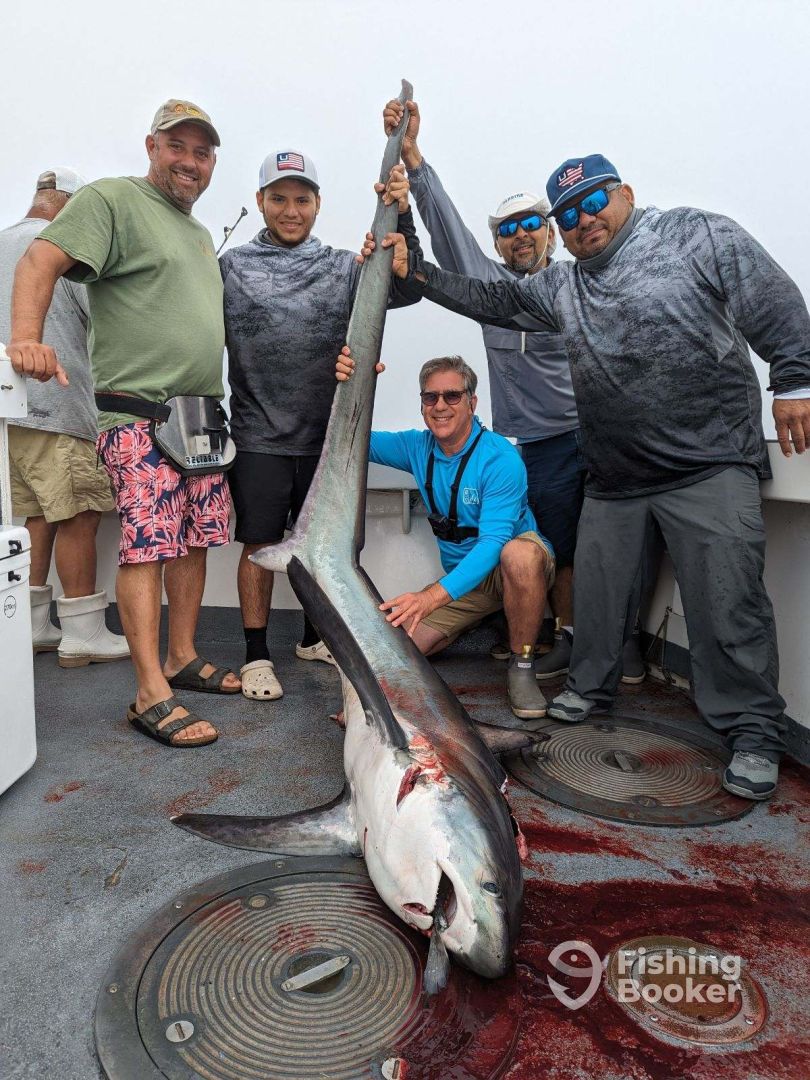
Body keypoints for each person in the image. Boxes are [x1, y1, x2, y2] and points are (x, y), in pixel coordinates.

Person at [374, 153, 810, 799]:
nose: (584, 220)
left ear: (625, 194)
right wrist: (418, 272)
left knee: (727, 603)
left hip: (708, 461)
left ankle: (752, 730)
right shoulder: (563, 286)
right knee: (598, 601)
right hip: (614, 474)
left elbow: (769, 297)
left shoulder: (693, 232)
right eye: (570, 214)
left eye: (594, 203)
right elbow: (491, 297)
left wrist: (794, 379)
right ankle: (590, 688)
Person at [7, 99, 240, 748]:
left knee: (194, 541)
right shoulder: (112, 199)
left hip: (201, 419)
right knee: (149, 546)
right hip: (139, 414)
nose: (190, 161)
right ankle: (149, 692)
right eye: (177, 146)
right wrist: (26, 338)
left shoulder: (198, 232)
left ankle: (182, 657)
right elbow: (40, 261)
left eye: (202, 152)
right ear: (151, 147)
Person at [220, 152, 420, 701]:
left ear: (317, 205)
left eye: (302, 199)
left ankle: (314, 638)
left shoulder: (342, 266)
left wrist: (400, 222)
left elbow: (405, 289)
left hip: (330, 440)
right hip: (258, 437)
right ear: (260, 201)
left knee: (324, 547)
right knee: (260, 545)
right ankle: (256, 654)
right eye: (279, 198)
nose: (291, 210)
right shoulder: (231, 267)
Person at [337, 351, 554, 720]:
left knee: (518, 555)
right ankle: (487, 617)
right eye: (430, 397)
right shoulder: (416, 447)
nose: (440, 406)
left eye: (452, 396)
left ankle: (521, 666)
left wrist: (430, 598)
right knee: (395, 647)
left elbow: (493, 544)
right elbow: (350, 436)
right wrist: (354, 383)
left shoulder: (500, 458)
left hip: (512, 569)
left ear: (472, 402)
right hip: (466, 583)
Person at [0, 168, 129, 668]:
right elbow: (102, 318)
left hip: (10, 414)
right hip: (60, 407)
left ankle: (33, 625)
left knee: (37, 513)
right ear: (72, 205)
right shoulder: (63, 247)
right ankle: (83, 633)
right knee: (79, 513)